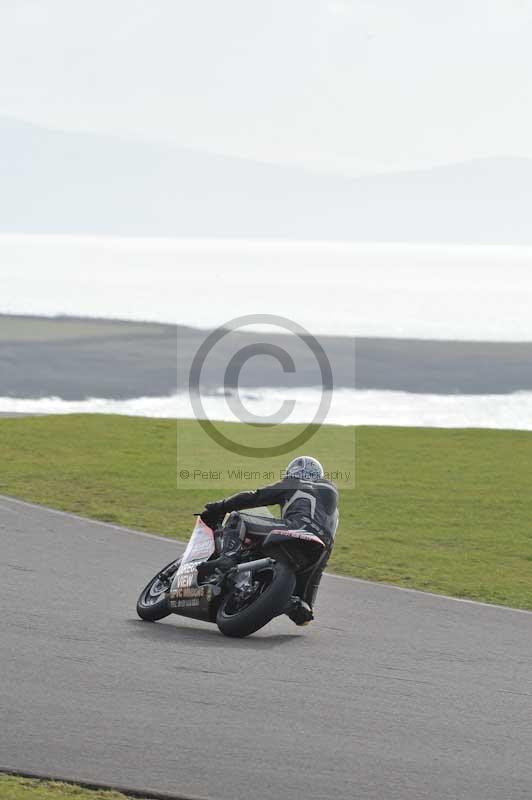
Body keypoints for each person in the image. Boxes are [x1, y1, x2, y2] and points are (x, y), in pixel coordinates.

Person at [199, 456, 338, 625]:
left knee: (238, 518)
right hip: (319, 548)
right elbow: (320, 567)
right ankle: (294, 606)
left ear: (294, 471)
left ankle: (228, 558)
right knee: (303, 607)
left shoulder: (294, 482)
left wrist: (219, 506)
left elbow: (255, 496)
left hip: (295, 528)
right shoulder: (333, 512)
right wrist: (307, 604)